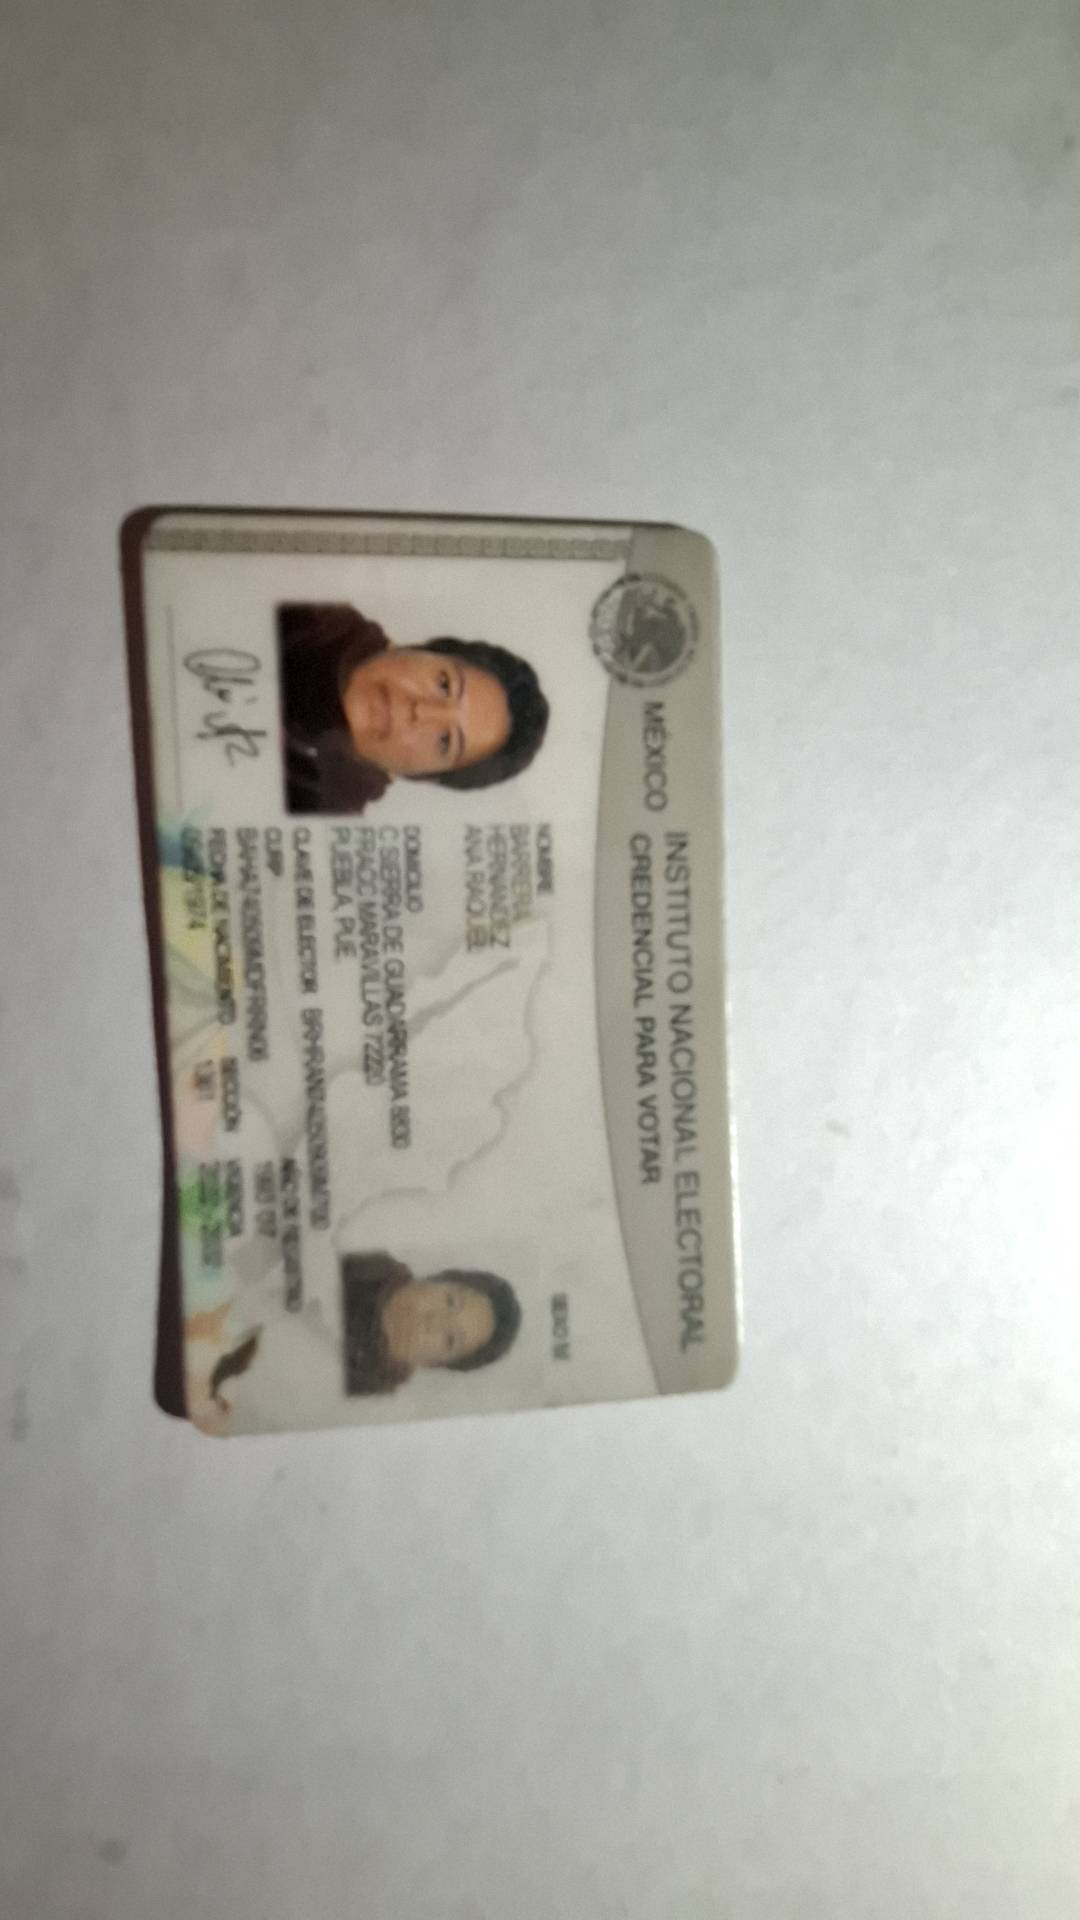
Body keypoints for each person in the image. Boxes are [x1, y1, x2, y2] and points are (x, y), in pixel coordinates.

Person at [278, 603, 550, 813]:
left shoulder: (323, 820)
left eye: (445, 741)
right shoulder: (311, 611)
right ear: (425, 650)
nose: (421, 711)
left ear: (423, 776)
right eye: (444, 685)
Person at [341, 1252, 521, 1394]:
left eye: (450, 1340)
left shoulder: (364, 1393)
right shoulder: (356, 1261)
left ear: (434, 1364)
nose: (433, 1321)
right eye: (450, 1301)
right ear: (435, 1279)